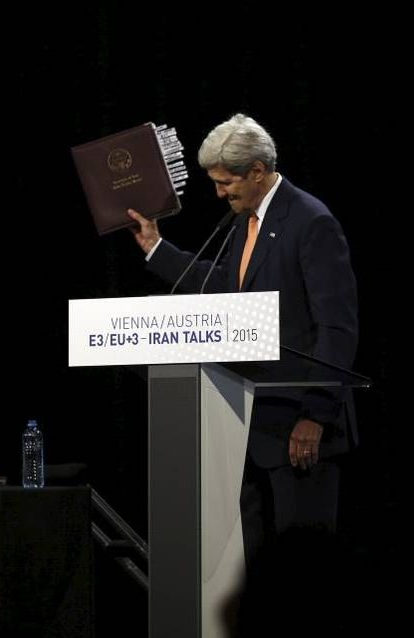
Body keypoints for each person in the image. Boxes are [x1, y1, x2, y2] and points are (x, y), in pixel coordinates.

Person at [126, 113, 359, 569]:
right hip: (249, 425)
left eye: (226, 181)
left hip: (299, 429)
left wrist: (315, 413)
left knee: (304, 572)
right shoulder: (245, 220)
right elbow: (224, 293)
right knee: (257, 571)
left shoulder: (311, 222)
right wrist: (156, 247)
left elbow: (337, 328)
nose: (219, 193)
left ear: (257, 172)